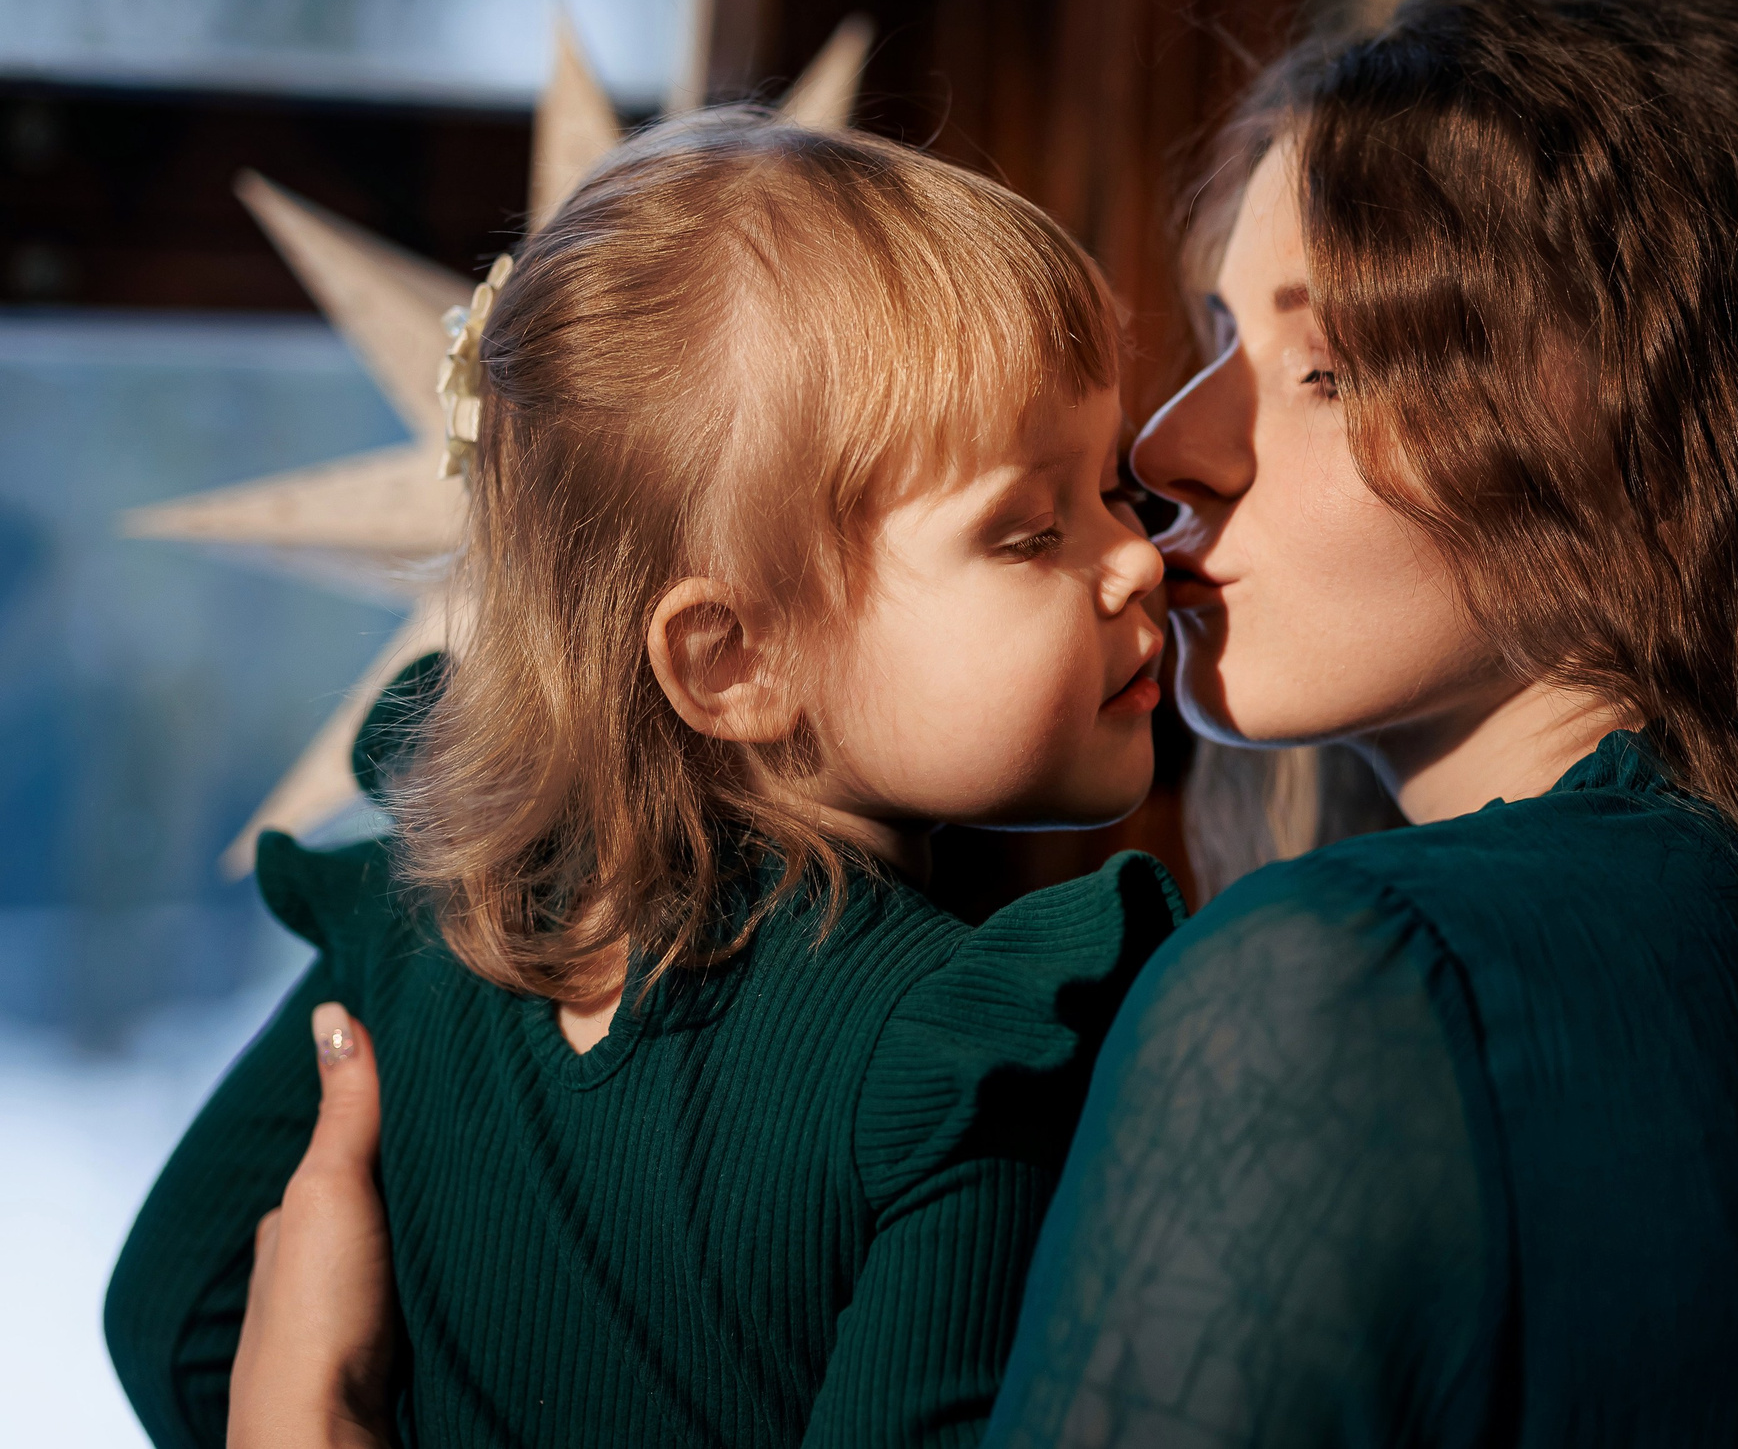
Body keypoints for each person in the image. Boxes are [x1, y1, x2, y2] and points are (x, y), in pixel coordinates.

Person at [212, 0, 1738, 1446]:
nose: (1176, 451)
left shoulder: (1335, 986)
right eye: (1211, 339)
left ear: (1640, 432)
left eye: (1315, 363)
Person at [103, 113, 1188, 1449]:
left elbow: (173, 1314)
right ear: (731, 656)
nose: (1138, 556)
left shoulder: (424, 916)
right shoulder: (954, 1052)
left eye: (1116, 488)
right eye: (1031, 530)